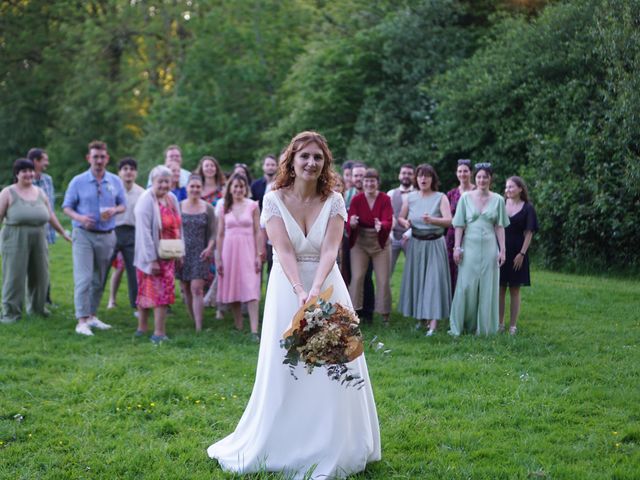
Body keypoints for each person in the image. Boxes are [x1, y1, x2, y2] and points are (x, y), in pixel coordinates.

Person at [207, 131, 380, 478]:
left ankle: (334, 441)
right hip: (287, 288)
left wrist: (316, 291)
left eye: (318, 157)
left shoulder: (334, 201)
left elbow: (331, 250)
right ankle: (283, 440)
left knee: (334, 365)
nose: (311, 163)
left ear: (325, 162)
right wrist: (301, 291)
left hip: (328, 285)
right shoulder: (273, 200)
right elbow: (283, 251)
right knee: (287, 365)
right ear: (292, 159)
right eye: (305, 156)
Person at [63, 140, 126, 336]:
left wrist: (114, 210)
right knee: (84, 278)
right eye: (95, 157)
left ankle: (92, 315)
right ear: (88, 158)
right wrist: (80, 218)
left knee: (99, 279)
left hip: (107, 235)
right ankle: (81, 321)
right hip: (83, 235)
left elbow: (123, 205)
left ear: (107, 158)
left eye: (102, 157)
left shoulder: (115, 181)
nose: (99, 160)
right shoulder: (78, 181)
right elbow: (66, 207)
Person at [0, 159, 70, 323]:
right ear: (17, 174)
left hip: (39, 236)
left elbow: (50, 215)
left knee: (40, 275)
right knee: (14, 276)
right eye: (24, 171)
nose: (29, 174)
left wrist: (63, 232)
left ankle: (38, 309)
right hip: (15, 237)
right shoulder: (8, 192)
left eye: (31, 170)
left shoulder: (40, 192)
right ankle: (11, 313)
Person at [449, 163, 509, 336]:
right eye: (479, 177)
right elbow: (459, 225)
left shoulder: (498, 199)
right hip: (469, 246)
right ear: (475, 178)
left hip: (490, 247)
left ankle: (485, 328)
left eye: (485, 177)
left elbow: (499, 226)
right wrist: (457, 248)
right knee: (465, 286)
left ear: (490, 179)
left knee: (487, 287)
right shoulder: (466, 198)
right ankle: (461, 324)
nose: (482, 180)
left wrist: (502, 249)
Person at [397, 164, 452, 336]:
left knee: (433, 282)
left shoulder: (440, 197)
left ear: (432, 179)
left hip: (435, 243)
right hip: (416, 244)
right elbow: (400, 217)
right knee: (419, 281)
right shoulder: (410, 197)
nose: (423, 179)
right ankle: (421, 319)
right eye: (420, 175)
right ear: (416, 178)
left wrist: (433, 220)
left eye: (427, 176)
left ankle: (433, 324)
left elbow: (449, 220)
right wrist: (405, 223)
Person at [134, 166, 183, 343]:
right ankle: (156, 333)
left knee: (162, 294)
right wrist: (151, 259)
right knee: (149, 292)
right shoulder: (146, 200)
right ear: (152, 182)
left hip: (169, 253)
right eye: (160, 181)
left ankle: (150, 330)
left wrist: (179, 251)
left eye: (166, 181)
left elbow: (179, 225)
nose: (163, 185)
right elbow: (144, 232)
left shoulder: (172, 198)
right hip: (151, 256)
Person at [215, 173, 262, 339]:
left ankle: (254, 330)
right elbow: (220, 234)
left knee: (251, 288)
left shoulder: (253, 206)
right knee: (233, 287)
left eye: (241, 186)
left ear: (246, 188)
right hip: (229, 250)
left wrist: (259, 254)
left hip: (248, 250)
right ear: (230, 188)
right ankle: (239, 325)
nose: (238, 189)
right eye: (235, 186)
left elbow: (258, 231)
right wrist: (218, 258)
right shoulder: (224, 207)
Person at [347, 168, 393, 324]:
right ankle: (352, 313)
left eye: (372, 181)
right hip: (360, 242)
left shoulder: (385, 199)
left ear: (377, 183)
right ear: (362, 183)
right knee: (357, 277)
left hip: (380, 243)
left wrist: (383, 225)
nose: (369, 184)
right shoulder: (356, 199)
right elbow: (350, 220)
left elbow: (388, 219)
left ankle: (385, 315)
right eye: (367, 181)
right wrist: (351, 223)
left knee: (383, 279)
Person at [499, 176, 538, 335]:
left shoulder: (528, 208)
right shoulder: (500, 204)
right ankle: (499, 323)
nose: (508, 190)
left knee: (514, 289)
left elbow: (529, 233)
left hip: (518, 252)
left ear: (520, 189)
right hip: (501, 251)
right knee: (500, 288)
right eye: (506, 187)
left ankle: (513, 326)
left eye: (511, 187)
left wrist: (522, 253)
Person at [177, 175, 216, 332]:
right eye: (192, 186)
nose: (195, 189)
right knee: (186, 287)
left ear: (201, 189)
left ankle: (199, 327)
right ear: (186, 188)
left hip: (201, 253)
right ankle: (193, 319)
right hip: (182, 253)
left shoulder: (208, 208)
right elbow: (174, 230)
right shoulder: (179, 206)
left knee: (197, 288)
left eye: (198, 187)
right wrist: (177, 250)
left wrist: (210, 248)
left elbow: (214, 232)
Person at [106, 158, 145, 311]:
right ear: (119, 173)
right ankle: (95, 305)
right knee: (104, 267)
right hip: (113, 231)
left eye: (132, 169)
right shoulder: (111, 190)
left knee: (134, 271)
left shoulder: (142, 193)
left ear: (136, 173)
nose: (128, 172)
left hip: (133, 232)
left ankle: (136, 306)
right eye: (125, 169)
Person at [341, 162, 374, 322]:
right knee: (351, 275)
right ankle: (352, 308)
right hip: (350, 239)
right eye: (356, 175)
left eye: (362, 175)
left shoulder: (372, 194)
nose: (359, 178)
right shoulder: (347, 194)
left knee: (366, 276)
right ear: (351, 177)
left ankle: (367, 312)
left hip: (368, 240)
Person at [29, 148, 56, 304]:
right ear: (36, 161)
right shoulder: (24, 180)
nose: (47, 163)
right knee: (30, 265)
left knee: (44, 263)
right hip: (31, 229)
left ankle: (45, 298)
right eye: (44, 159)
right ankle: (34, 297)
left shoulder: (48, 180)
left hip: (46, 229)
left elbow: (50, 206)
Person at [446, 159, 475, 292]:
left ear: (471, 173)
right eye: (459, 171)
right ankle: (453, 303)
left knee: (470, 269)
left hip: (472, 235)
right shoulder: (451, 194)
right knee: (452, 269)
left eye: (465, 171)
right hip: (453, 237)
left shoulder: (477, 191)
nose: (462, 174)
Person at [387, 163, 415, 275]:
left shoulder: (418, 194)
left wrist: (409, 233)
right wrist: (389, 234)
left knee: (414, 270)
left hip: (412, 238)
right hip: (393, 237)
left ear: (414, 176)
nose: (406, 176)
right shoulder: (391, 193)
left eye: (409, 173)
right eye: (403, 173)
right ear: (399, 175)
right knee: (386, 271)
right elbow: (388, 216)